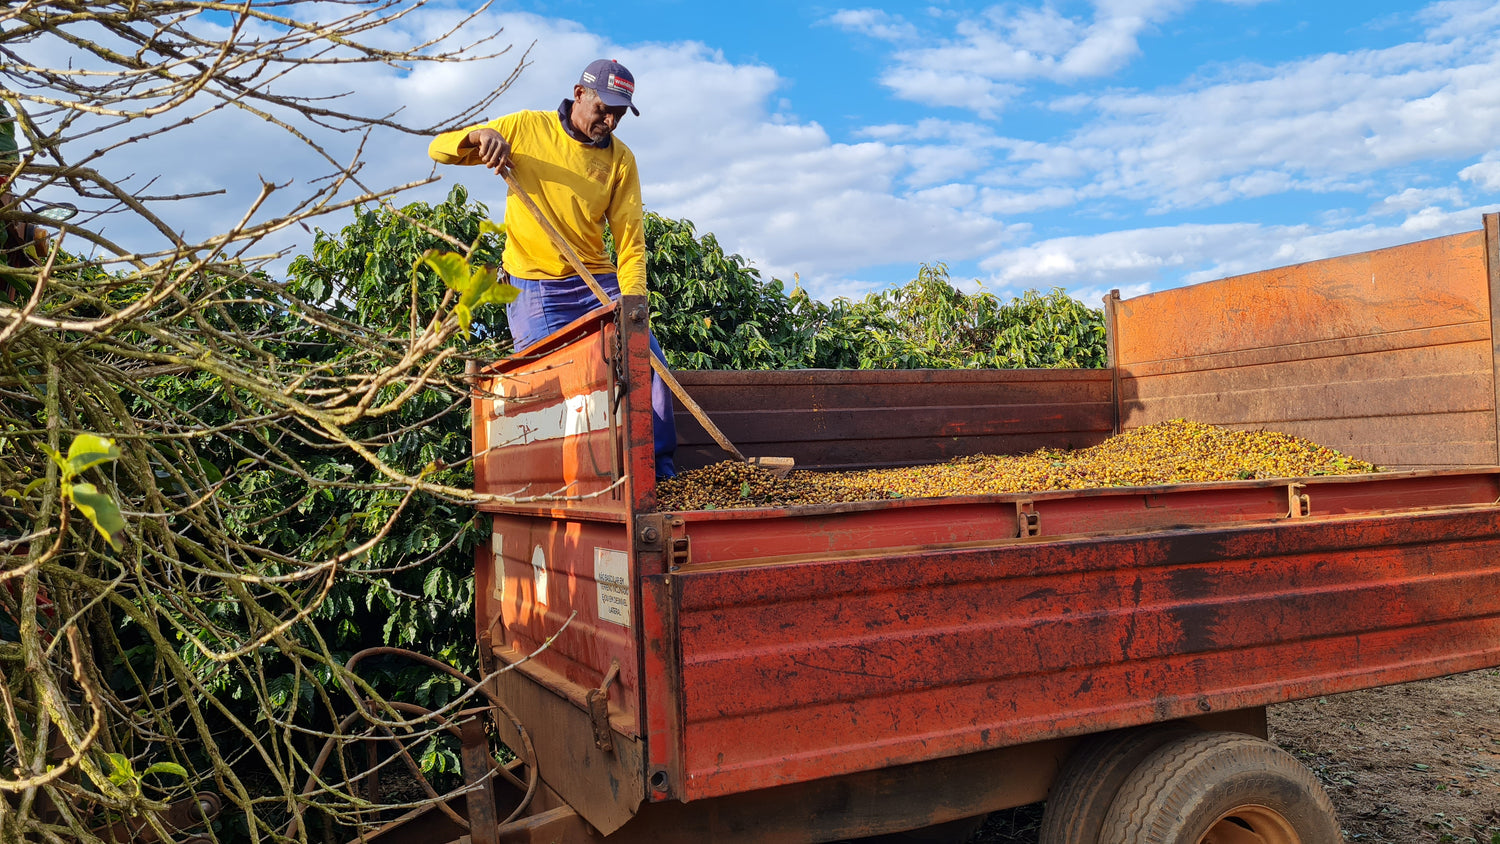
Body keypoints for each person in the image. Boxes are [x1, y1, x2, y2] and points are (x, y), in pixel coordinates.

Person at [429, 59, 676, 478]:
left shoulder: (621, 161)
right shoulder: (526, 128)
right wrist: (479, 135)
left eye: (619, 114)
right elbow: (438, 148)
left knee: (648, 365)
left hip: (597, 281)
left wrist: (632, 307)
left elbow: (631, 244)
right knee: (553, 386)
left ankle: (657, 470)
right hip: (535, 288)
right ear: (580, 95)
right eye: (604, 109)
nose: (610, 122)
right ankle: (573, 480)